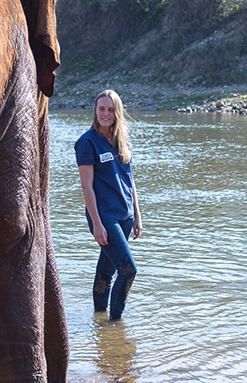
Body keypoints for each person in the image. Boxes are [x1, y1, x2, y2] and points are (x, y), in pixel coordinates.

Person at [75, 89, 142, 321]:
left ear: (117, 112)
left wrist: (137, 215)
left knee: (106, 270)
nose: (106, 113)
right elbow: (87, 187)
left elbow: (129, 180)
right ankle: (115, 325)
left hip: (125, 215)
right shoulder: (86, 143)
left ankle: (98, 317)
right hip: (104, 216)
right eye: (102, 108)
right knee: (128, 270)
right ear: (95, 110)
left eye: (111, 109)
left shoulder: (123, 141)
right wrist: (96, 223)